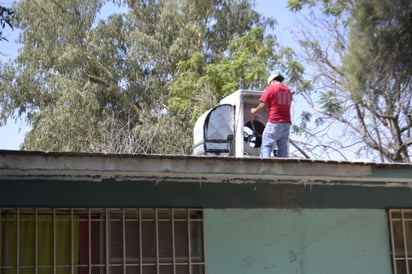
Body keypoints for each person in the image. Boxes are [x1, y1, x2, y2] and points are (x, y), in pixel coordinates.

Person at [250, 73, 293, 158]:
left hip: (274, 121)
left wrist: (255, 111)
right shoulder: (288, 91)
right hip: (286, 123)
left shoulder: (272, 88)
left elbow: (263, 104)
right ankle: (283, 168)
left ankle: (265, 167)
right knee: (283, 147)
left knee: (267, 145)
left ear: (272, 81)